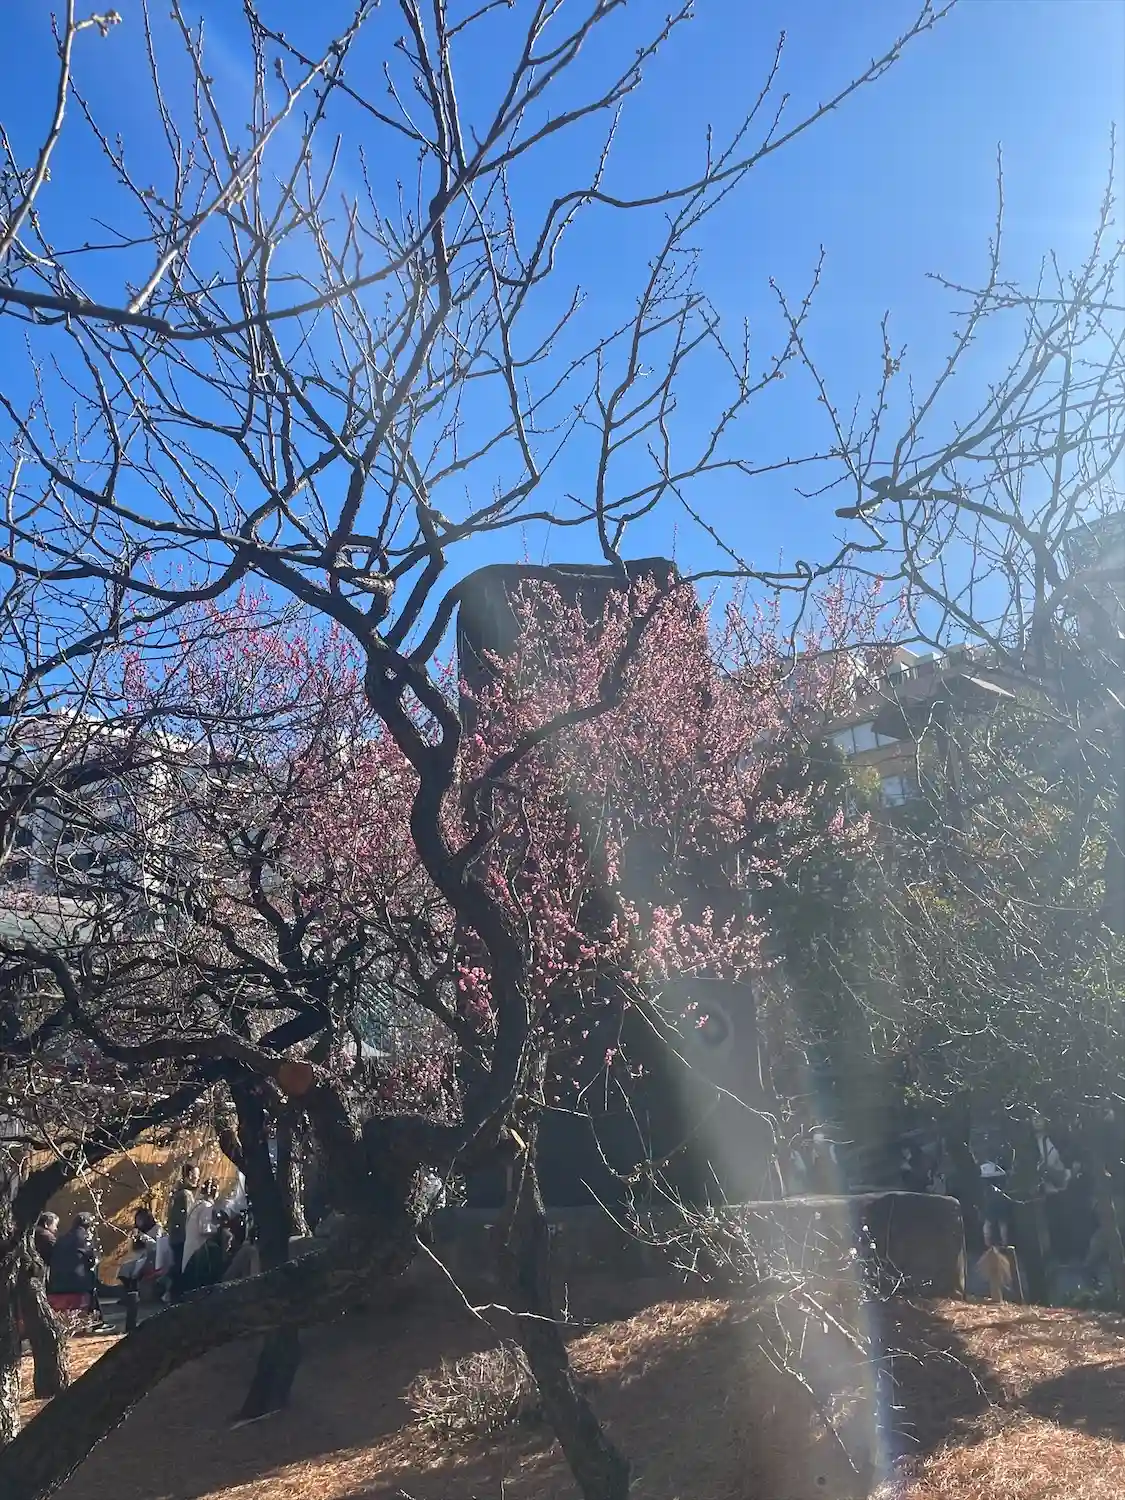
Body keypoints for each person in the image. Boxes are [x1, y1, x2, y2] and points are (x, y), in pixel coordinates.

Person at [48, 1212, 101, 1318]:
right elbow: (91, 1261)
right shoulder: (85, 1238)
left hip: (57, 1282)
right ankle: (95, 1318)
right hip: (78, 1283)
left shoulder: (61, 1238)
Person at [167, 1162, 199, 1302]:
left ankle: (175, 1296)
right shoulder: (185, 1195)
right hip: (182, 1238)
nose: (197, 1179)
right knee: (182, 1268)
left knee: (178, 1267)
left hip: (176, 1237)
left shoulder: (178, 1193)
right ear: (188, 1175)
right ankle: (178, 1298)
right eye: (195, 1176)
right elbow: (187, 1218)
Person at [181, 1177, 218, 1277]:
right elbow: (204, 1229)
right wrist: (218, 1228)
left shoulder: (196, 1204)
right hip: (197, 1252)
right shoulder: (207, 1206)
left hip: (189, 1249)